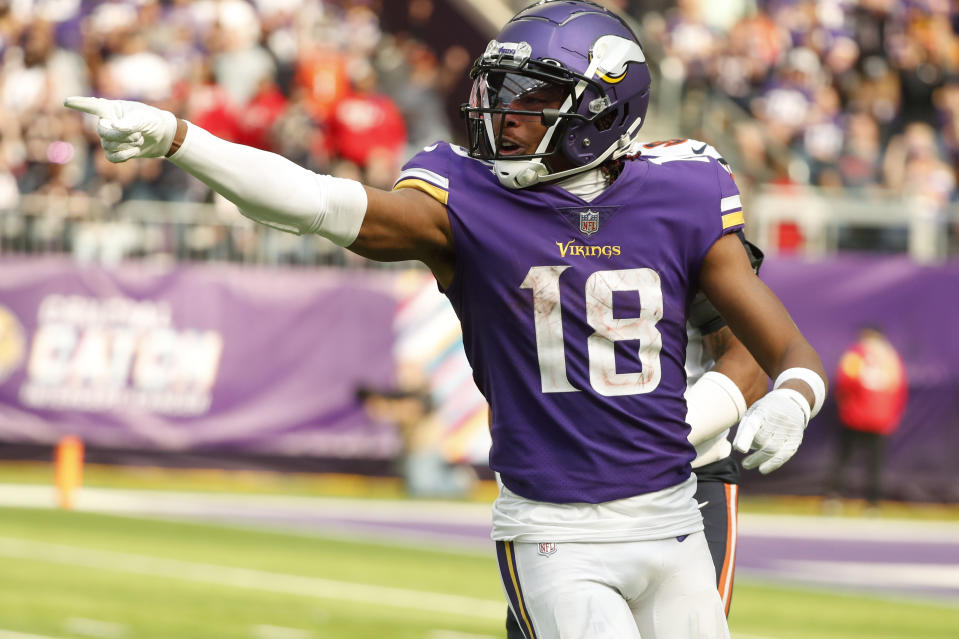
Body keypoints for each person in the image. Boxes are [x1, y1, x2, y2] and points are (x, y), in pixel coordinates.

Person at [66, 2, 828, 637]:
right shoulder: (469, 200)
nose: (505, 114)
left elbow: (780, 347)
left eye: (533, 97)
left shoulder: (681, 190)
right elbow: (316, 202)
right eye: (501, 90)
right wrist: (182, 139)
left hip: (672, 515)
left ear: (599, 108)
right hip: (556, 528)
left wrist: (789, 399)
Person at [503, 139, 769, 639]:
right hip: (567, 485)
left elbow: (749, 360)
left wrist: (642, 439)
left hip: (686, 473)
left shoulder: (687, 238)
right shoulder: (539, 231)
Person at [826, 325, 907, 510]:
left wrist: (845, 404)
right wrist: (891, 415)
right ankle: (873, 503)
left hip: (854, 416)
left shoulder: (857, 354)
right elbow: (899, 389)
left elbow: (845, 380)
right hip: (881, 419)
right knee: (875, 463)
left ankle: (834, 497)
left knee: (843, 459)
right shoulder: (891, 357)